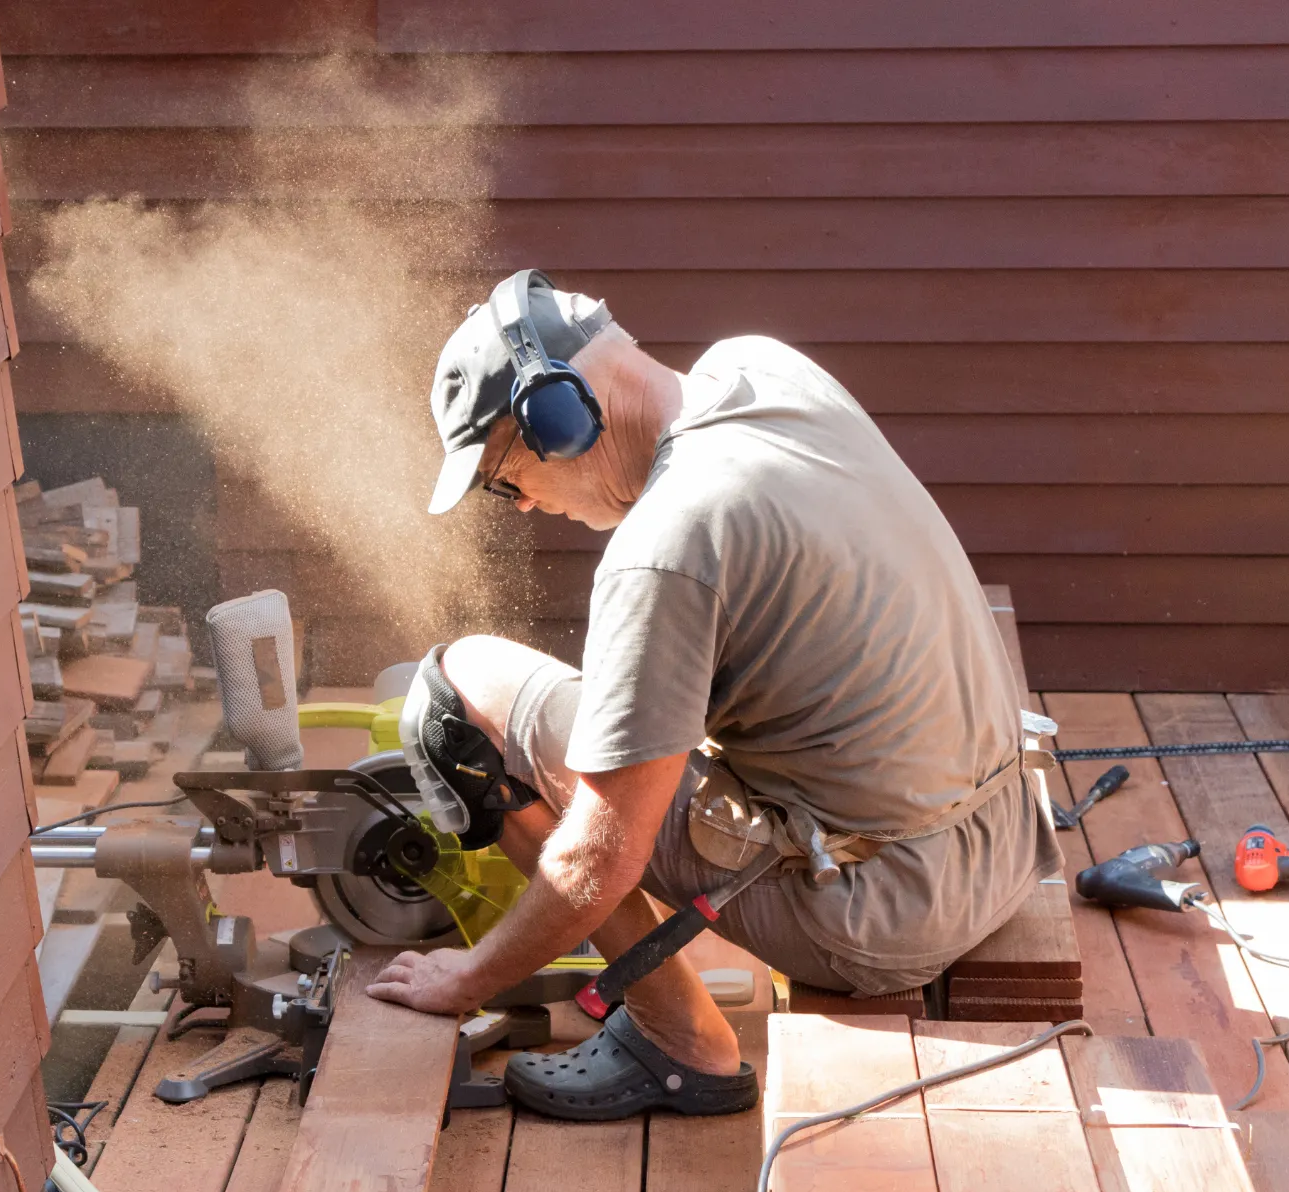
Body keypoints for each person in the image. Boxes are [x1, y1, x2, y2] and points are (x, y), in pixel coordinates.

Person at [367, 270, 1060, 1121]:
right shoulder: (764, 369)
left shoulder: (666, 545)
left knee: (451, 703)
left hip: (880, 915)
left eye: (503, 480)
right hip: (1002, 843)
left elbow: (599, 855)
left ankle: (677, 1040)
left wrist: (471, 978)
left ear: (558, 419)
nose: (515, 508)